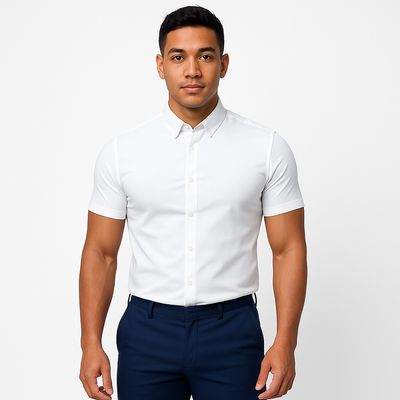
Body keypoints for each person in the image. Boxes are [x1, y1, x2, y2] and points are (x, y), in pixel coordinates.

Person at [79, 5, 307, 400]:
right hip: (147, 332)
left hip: (231, 331)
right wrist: (90, 343)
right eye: (178, 57)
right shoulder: (121, 152)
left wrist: (286, 342)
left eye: (205, 56)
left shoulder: (267, 148)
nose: (192, 70)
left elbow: (288, 249)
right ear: (160, 65)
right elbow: (100, 252)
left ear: (224, 64)